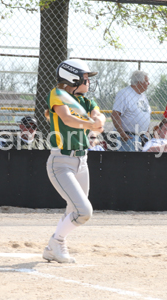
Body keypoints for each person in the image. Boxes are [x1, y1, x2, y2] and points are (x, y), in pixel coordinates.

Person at [43, 59, 105, 263]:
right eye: (85, 78)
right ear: (73, 78)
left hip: (82, 162)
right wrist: (91, 124)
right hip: (61, 162)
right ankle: (56, 242)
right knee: (84, 211)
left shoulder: (86, 101)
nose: (88, 82)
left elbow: (99, 115)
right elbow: (67, 119)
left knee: (74, 209)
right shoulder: (57, 94)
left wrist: (98, 121)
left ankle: (54, 246)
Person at [112, 70, 151, 151]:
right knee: (128, 163)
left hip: (142, 138)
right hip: (129, 138)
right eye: (147, 81)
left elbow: (146, 114)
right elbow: (115, 115)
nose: (149, 83)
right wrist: (122, 134)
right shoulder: (124, 93)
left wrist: (147, 132)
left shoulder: (143, 96)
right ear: (139, 82)